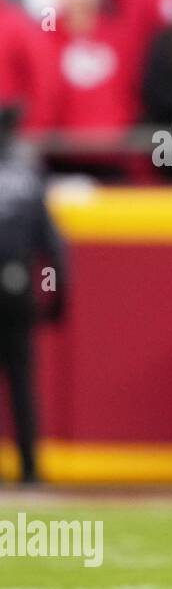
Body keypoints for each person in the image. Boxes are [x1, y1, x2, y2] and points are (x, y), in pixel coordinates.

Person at [0, 104, 65, 486]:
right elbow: (52, 249)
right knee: (22, 380)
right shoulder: (27, 174)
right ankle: (29, 468)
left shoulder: (27, 172)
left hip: (16, 284)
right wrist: (55, 297)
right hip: (17, 286)